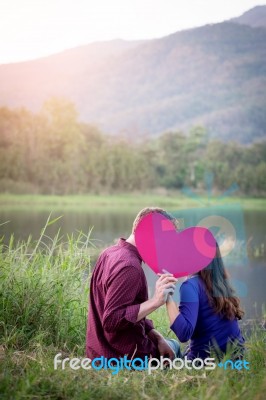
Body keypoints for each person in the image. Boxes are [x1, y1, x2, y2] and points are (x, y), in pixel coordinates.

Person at [86, 207, 180, 361]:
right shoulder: (130, 267)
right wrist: (156, 301)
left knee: (168, 343)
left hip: (98, 352)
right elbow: (111, 321)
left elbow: (129, 308)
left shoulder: (110, 253)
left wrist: (157, 338)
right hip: (124, 357)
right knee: (175, 346)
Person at [166, 242, 245, 360]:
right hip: (236, 358)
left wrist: (166, 295)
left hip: (203, 361)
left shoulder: (190, 286)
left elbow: (184, 333)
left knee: (171, 344)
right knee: (178, 346)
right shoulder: (219, 282)